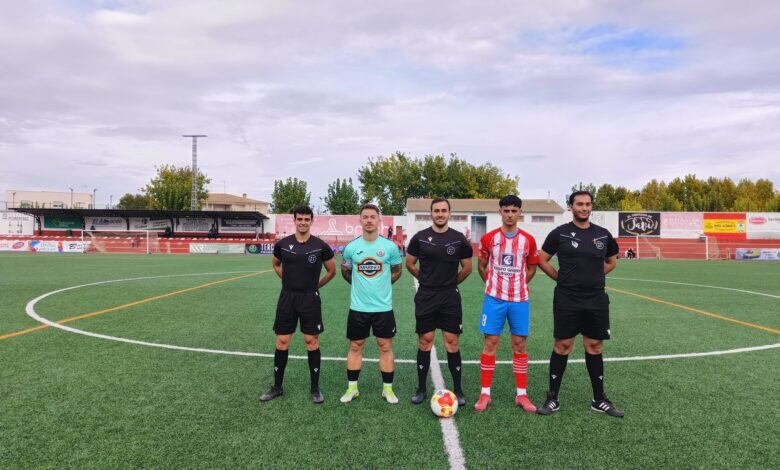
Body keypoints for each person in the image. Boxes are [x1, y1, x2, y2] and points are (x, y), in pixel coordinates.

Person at [536, 191, 623, 418]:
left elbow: (612, 261)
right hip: (567, 298)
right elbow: (541, 260)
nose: (584, 208)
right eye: (579, 204)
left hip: (596, 299)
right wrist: (560, 278)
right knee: (563, 345)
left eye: (587, 204)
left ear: (591, 207)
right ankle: (552, 398)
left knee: (594, 346)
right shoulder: (560, 233)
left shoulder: (603, 235)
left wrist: (595, 276)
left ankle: (599, 399)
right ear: (571, 207)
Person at [259, 205, 336, 404]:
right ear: (294, 220)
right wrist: (286, 281)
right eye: (299, 219)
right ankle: (277, 387)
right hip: (287, 298)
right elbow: (275, 264)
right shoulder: (283, 244)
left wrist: (315, 286)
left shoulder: (320, 246)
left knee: (312, 342)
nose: (302, 222)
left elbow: (331, 271)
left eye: (306, 219)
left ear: (312, 221)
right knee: (282, 341)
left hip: (310, 299)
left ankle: (315, 389)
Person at [474, 195, 539, 413]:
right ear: (500, 212)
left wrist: (517, 284)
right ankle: (485, 393)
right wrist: (494, 284)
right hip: (494, 299)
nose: (510, 214)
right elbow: (481, 266)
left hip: (520, 300)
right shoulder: (489, 238)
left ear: (520, 213)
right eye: (506, 210)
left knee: (519, 344)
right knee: (491, 342)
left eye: (514, 211)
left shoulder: (528, 240)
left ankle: (522, 395)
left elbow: (531, 268)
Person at [406, 198, 473, 406]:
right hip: (426, 296)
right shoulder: (420, 238)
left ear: (449, 213)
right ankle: (421, 388)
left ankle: (459, 389)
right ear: (431, 213)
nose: (440, 214)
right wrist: (425, 280)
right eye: (437, 211)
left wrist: (450, 283)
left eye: (444, 210)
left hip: (450, 298)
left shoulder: (459, 239)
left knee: (451, 343)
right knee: (425, 341)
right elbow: (409, 263)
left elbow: (467, 268)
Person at [339, 203, 403, 404]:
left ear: (378, 220)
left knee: (385, 346)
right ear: (360, 220)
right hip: (358, 308)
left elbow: (397, 270)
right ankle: (352, 388)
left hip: (383, 308)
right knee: (356, 345)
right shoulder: (351, 248)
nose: (368, 220)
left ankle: (388, 390)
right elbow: (345, 270)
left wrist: (384, 284)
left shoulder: (390, 247)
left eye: (372, 217)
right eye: (365, 217)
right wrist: (358, 285)